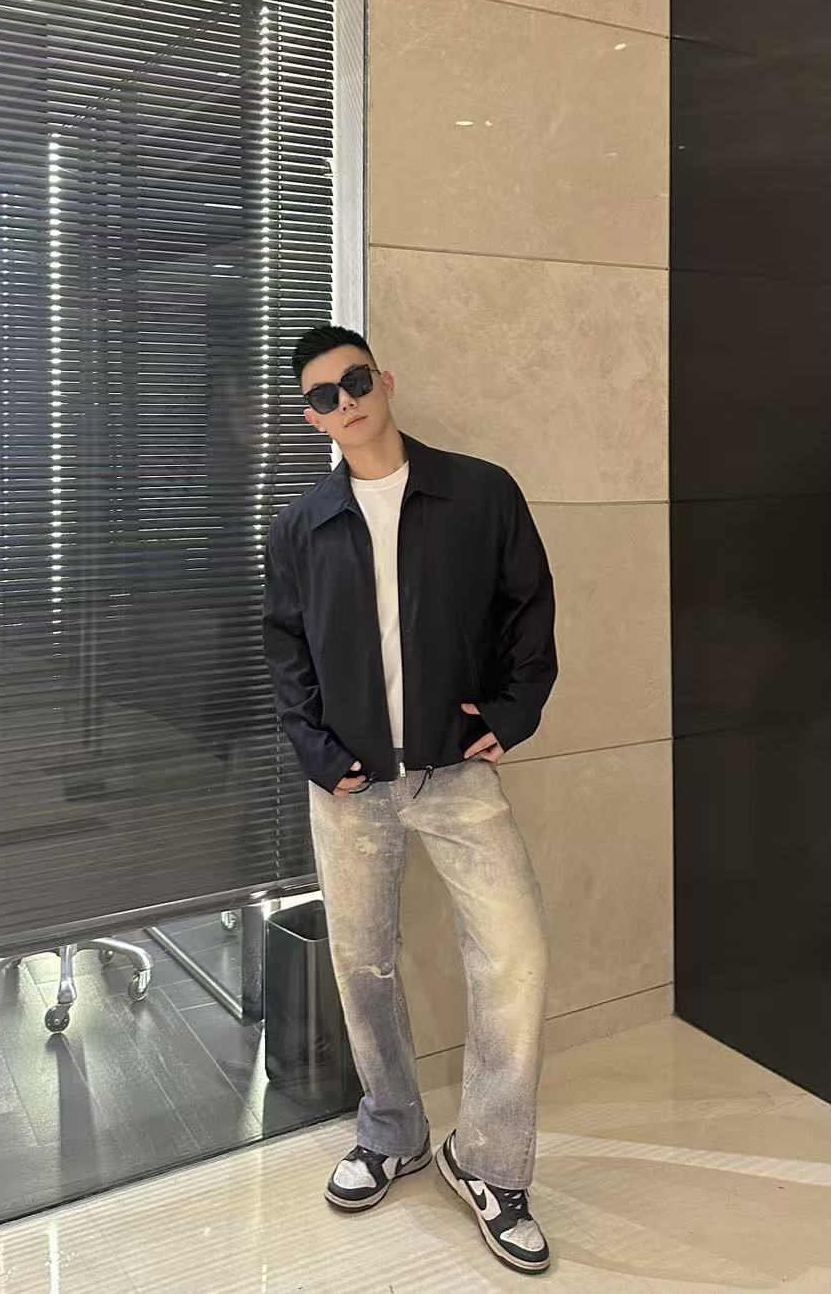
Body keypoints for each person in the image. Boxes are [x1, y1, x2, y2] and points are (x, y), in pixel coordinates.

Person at [263, 324, 557, 1278]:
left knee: (515, 955)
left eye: (354, 380)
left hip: (455, 773)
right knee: (363, 965)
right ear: (310, 416)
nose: (343, 401)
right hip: (352, 786)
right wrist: (317, 752)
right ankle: (392, 1128)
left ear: (384, 379)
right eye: (322, 395)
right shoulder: (301, 526)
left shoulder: (480, 491)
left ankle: (490, 1159)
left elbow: (530, 607)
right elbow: (285, 651)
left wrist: (511, 713)